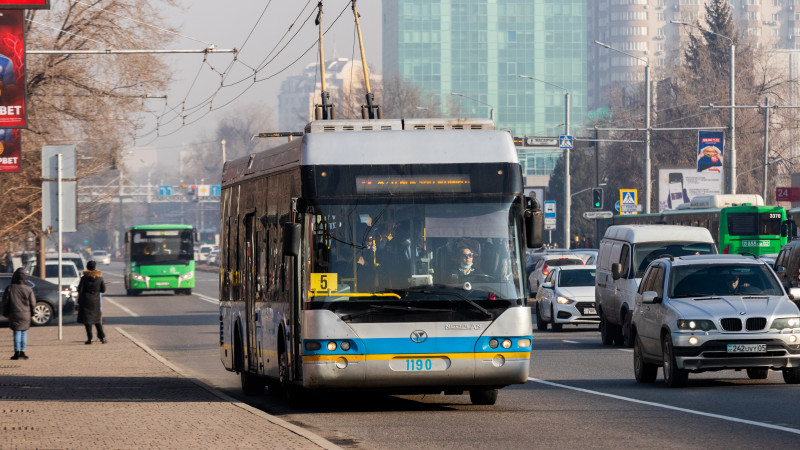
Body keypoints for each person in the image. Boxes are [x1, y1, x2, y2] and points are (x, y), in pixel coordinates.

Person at [2, 267, 36, 360]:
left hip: (14, 313)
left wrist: (5, 312)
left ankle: (17, 352)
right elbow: (33, 303)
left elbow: (5, 302)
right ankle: (23, 352)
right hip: (26, 314)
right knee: (24, 332)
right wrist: (32, 312)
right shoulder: (28, 289)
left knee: (17, 332)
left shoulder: (10, 288)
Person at [77, 260, 107, 344]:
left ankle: (90, 338)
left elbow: (80, 290)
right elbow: (103, 290)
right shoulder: (100, 278)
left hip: (86, 301)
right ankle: (103, 338)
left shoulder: (84, 278)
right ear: (95, 267)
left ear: (87, 267)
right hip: (96, 301)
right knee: (97, 320)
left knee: (87, 321)